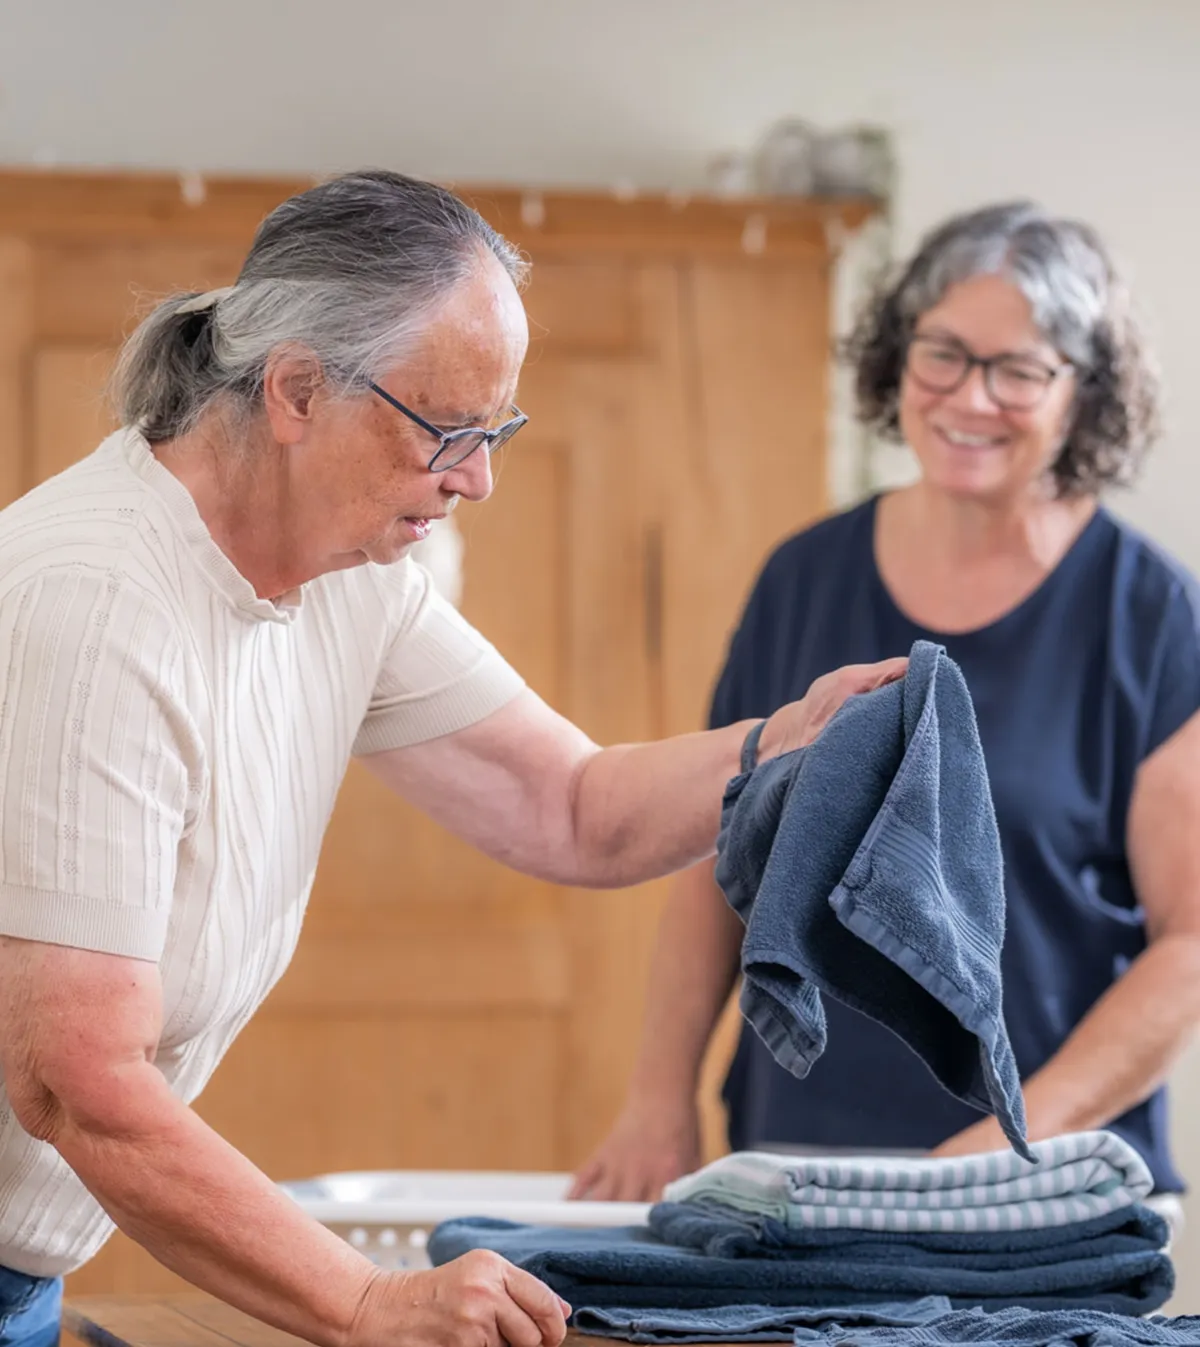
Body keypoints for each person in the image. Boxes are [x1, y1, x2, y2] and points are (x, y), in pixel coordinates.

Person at [0, 170, 905, 1347]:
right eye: (448, 430)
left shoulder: (352, 577)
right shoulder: (94, 604)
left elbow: (572, 806)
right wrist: (367, 1299)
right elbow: (75, 1078)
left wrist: (784, 744)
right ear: (294, 392)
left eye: (498, 430)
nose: (477, 477)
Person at [572, 200, 1200, 1207]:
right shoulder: (803, 579)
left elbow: (1191, 942)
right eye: (943, 352)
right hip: (798, 1164)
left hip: (1039, 1184)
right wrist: (657, 1096)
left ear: (1084, 393)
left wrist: (1008, 1139)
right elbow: (715, 855)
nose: (971, 396)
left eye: (1020, 369)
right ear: (897, 357)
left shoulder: (1151, 615)